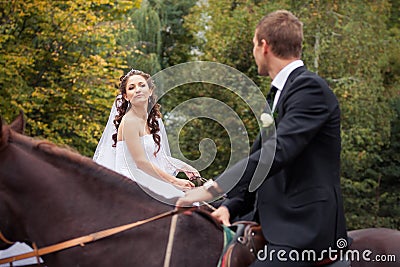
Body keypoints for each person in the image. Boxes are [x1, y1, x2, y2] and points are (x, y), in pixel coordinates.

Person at [177, 10, 348, 266]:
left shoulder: (310, 89)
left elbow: (276, 153)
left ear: (264, 46)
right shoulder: (278, 94)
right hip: (272, 222)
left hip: (305, 227)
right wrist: (230, 207)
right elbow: (262, 165)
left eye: (254, 45)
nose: (253, 52)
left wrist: (211, 189)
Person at [94, 69, 197, 199]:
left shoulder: (152, 120)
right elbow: (141, 162)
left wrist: (183, 166)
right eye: (131, 88)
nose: (138, 89)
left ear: (150, 91)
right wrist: (174, 181)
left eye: (142, 85)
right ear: (126, 96)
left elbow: (156, 157)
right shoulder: (129, 121)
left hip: (149, 181)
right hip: (133, 185)